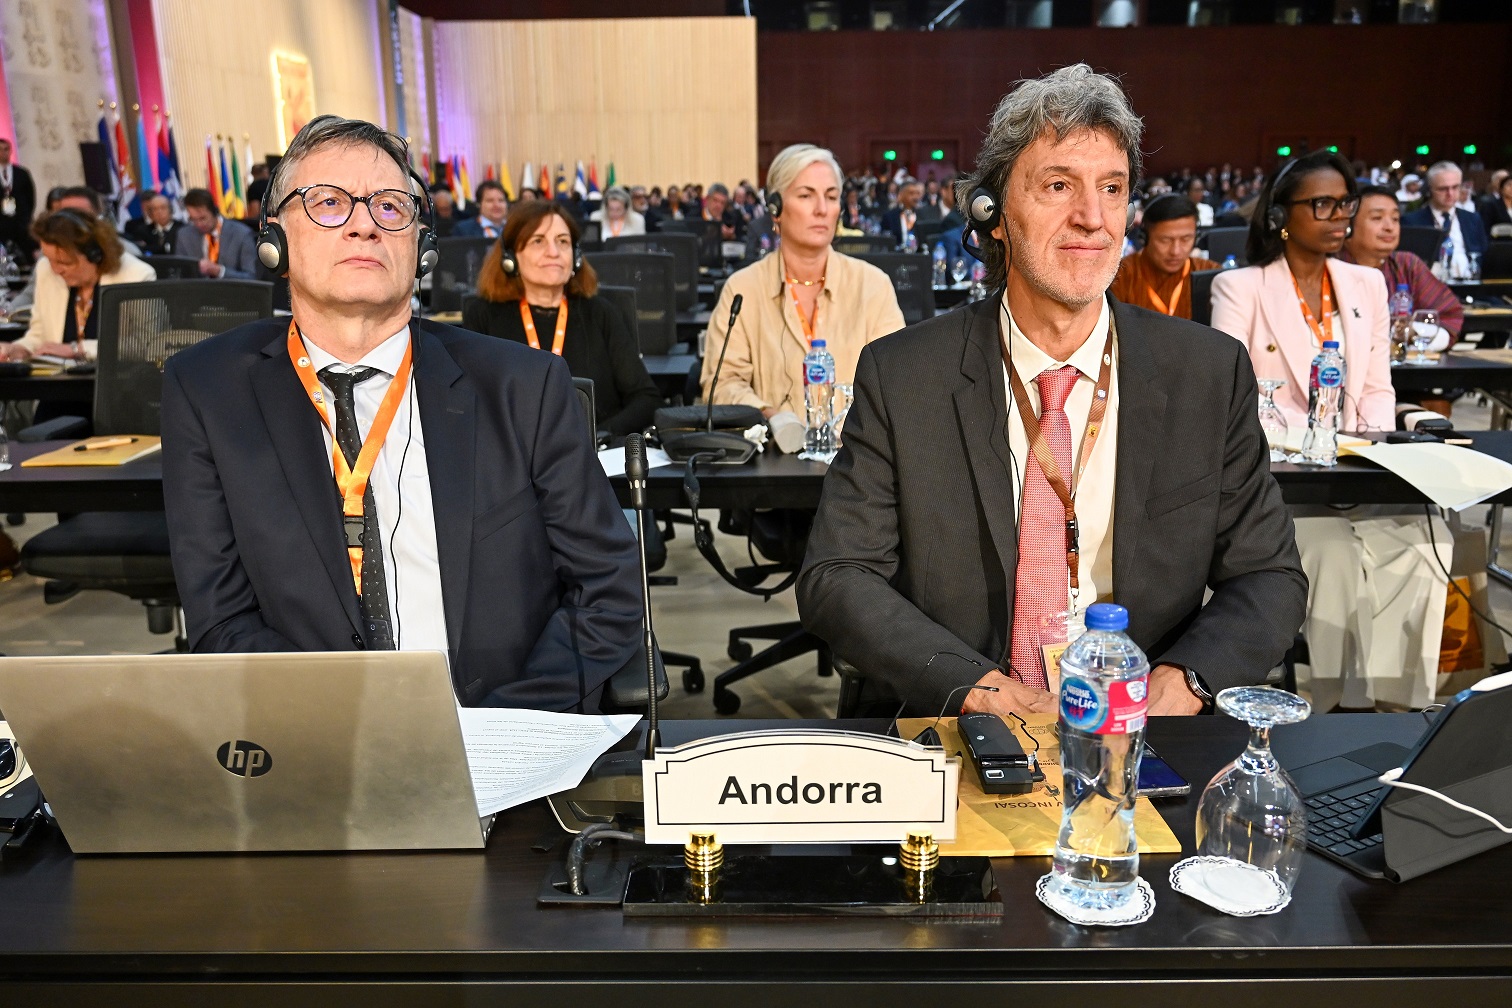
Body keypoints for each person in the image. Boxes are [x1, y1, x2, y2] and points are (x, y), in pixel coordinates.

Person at [798, 65, 1306, 720]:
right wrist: (977, 688)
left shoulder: (1207, 371)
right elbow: (837, 575)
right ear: (994, 215)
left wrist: (1183, 683)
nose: (1092, 218)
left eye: (1112, 189)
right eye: (1058, 185)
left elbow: (1268, 575)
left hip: (1143, 725)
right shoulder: (904, 375)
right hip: (963, 720)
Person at [160, 115, 641, 711]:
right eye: (329, 202)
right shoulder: (207, 391)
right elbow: (221, 619)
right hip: (319, 735)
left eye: (390, 207)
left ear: (421, 248)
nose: (364, 224)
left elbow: (607, 589)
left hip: (508, 727)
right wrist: (358, 734)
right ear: (275, 239)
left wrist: (502, 728)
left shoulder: (525, 386)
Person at [1210, 151, 1449, 712]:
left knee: (1423, 543)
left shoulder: (1366, 283)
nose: (1340, 216)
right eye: (1322, 204)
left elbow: (1378, 388)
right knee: (1333, 552)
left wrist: (1370, 448)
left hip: (1356, 467)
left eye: (1345, 203)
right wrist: (1312, 445)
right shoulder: (1240, 287)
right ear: (1281, 215)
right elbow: (1232, 402)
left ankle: (1398, 711)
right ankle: (1337, 710)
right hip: (1281, 484)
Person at [702, 143, 904, 418]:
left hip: (855, 444)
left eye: (831, 197)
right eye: (806, 195)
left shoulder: (873, 286)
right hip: (773, 443)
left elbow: (896, 384)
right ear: (775, 207)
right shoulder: (742, 290)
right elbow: (722, 385)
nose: (822, 209)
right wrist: (772, 418)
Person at [462, 200, 659, 440]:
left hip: (594, 452)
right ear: (510, 256)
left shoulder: (601, 313)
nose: (554, 252)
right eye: (538, 241)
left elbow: (645, 398)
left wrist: (599, 437)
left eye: (563, 242)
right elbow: (468, 404)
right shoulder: (484, 317)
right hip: (514, 455)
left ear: (576, 258)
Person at [4, 208, 155, 363]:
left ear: (95, 255)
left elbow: (145, 343)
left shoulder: (137, 275)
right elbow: (39, 335)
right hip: (59, 377)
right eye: (50, 260)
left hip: (114, 376)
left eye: (65, 263)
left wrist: (78, 349)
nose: (56, 270)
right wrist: (19, 349)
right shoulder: (45, 270)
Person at [1339, 184, 1462, 353]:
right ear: (1347, 225)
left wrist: (1414, 332)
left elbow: (1450, 317)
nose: (1389, 227)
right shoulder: (1329, 267)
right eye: (1377, 218)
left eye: (1395, 219)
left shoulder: (1406, 265)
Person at [1109, 195, 1221, 318]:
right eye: (1165, 240)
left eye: (1186, 239)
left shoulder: (1211, 274)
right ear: (1144, 238)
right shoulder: (1119, 276)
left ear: (1196, 238)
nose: (1175, 251)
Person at [1402, 161, 1488, 276]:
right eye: (1443, 189)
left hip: (1470, 281)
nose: (1450, 193)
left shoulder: (1473, 219)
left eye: (1455, 187)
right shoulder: (1411, 222)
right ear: (1430, 189)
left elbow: (1484, 256)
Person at [175, 188, 257, 278]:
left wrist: (219, 271)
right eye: (193, 219)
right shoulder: (184, 235)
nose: (199, 224)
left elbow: (251, 277)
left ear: (214, 211)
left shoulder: (241, 234)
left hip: (231, 286)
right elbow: (180, 273)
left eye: (203, 218)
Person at [0, 138, 36, 259]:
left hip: (21, 224)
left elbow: (30, 197)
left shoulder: (21, 173)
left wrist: (26, 218)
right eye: (0, 150)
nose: (3, 153)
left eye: (6, 149)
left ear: (10, 151)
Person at [125, 191, 185, 256]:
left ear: (170, 210)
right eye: (155, 209)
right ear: (150, 214)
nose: (159, 212)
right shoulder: (143, 231)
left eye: (163, 208)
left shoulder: (182, 229)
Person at [880, 179, 923, 248]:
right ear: (901, 195)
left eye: (917, 193)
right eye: (911, 193)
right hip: (896, 253)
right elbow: (884, 241)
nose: (915, 197)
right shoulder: (889, 216)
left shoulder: (923, 215)